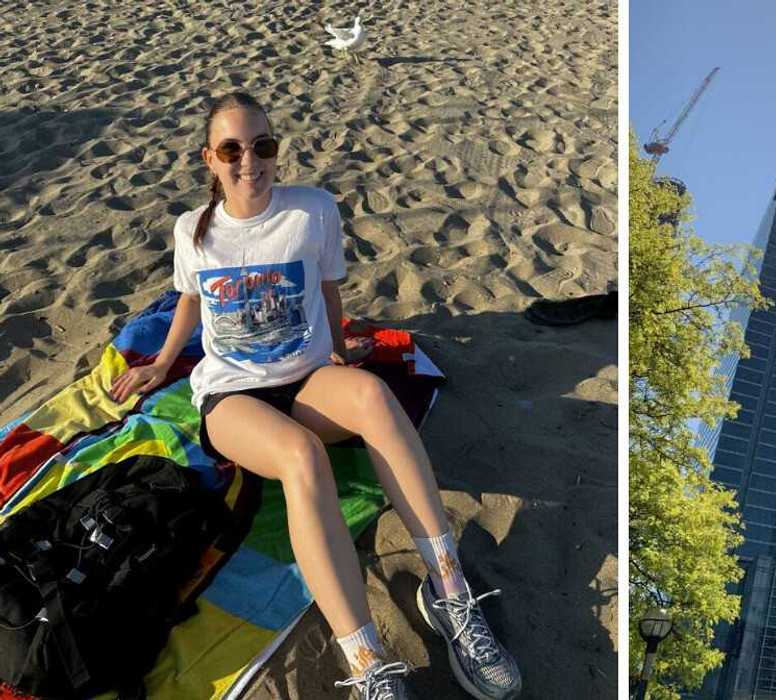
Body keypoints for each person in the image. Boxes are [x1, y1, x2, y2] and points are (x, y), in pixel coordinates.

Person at [108, 92, 521, 700]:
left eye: (263, 145)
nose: (250, 161)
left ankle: (451, 592)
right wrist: (165, 361)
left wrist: (340, 345)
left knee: (375, 398)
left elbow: (327, 289)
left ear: (276, 150)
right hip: (233, 398)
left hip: (304, 375)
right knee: (302, 456)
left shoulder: (312, 211)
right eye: (232, 149)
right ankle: (367, 663)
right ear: (210, 159)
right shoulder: (192, 231)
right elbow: (190, 298)